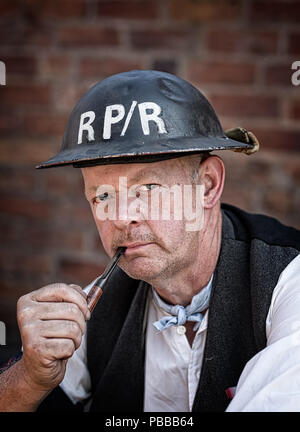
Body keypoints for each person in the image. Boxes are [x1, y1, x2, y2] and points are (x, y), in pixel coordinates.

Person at [0, 70, 299, 412]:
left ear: (207, 185)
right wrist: (28, 378)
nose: (121, 217)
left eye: (148, 189)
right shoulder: (91, 312)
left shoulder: (288, 284)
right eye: (102, 195)